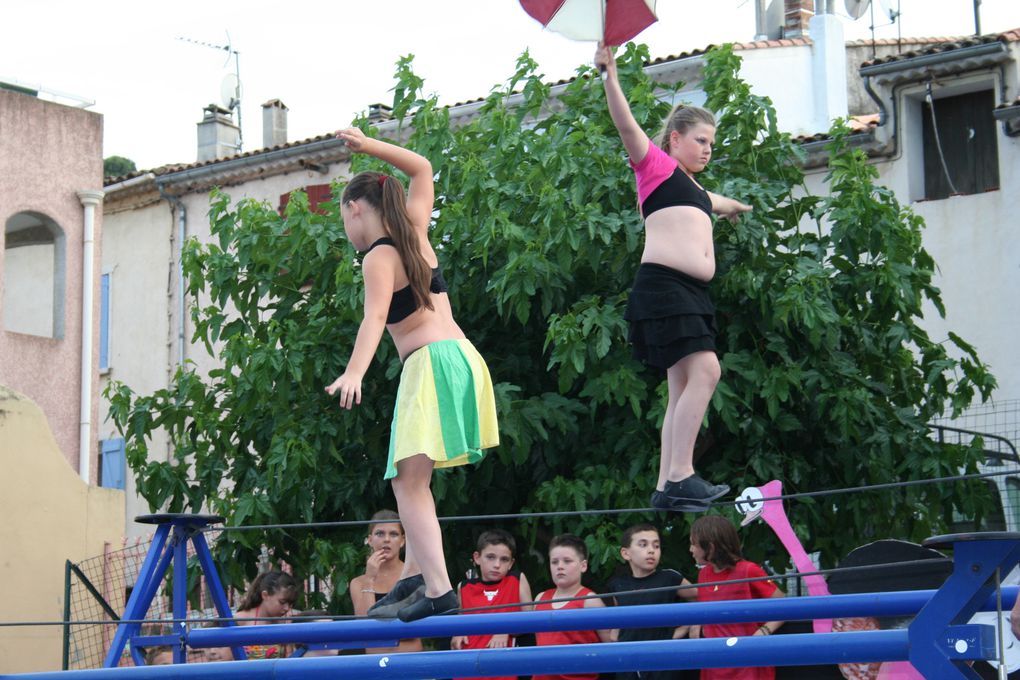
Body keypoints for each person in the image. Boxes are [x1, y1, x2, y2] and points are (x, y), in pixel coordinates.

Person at [325, 127, 499, 622]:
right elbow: (421, 167)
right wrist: (369, 146)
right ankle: (413, 579)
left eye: (344, 219)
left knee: (406, 484)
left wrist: (354, 371)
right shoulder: (415, 230)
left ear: (355, 208)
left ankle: (440, 589)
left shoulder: (379, 254)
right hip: (464, 358)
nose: (347, 230)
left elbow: (374, 318)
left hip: (431, 365)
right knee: (417, 480)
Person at [594, 44, 752, 513]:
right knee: (706, 370)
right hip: (665, 287)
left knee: (681, 386)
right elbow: (626, 126)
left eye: (712, 143)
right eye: (700, 140)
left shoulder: (695, 189)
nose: (708, 149)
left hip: (686, 292)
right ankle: (682, 473)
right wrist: (611, 77)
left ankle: (666, 485)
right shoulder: (656, 168)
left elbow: (714, 200)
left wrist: (735, 208)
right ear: (675, 140)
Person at [688, 516, 784, 680]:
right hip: (714, 662)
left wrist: (763, 632)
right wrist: (698, 621)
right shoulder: (703, 574)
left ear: (710, 548)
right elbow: (707, 607)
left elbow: (783, 604)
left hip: (748, 662)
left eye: (693, 544)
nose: (691, 549)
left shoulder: (748, 570)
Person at [606, 523, 698, 680]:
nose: (651, 550)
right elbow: (616, 620)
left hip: (663, 660)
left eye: (656, 546)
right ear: (625, 553)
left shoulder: (670, 578)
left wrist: (683, 630)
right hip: (628, 662)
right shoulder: (617, 585)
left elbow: (704, 598)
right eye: (643, 545)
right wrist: (615, 636)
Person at [451, 529, 534, 680]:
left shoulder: (517, 579)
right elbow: (460, 622)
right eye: (490, 557)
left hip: (503, 668)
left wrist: (505, 630)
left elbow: (531, 623)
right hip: (468, 666)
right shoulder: (463, 587)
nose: (497, 564)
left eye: (504, 559)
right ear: (477, 558)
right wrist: (458, 633)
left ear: (511, 563)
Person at [533, 534, 613, 680]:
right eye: (554, 562)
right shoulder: (540, 599)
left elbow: (610, 645)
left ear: (583, 565)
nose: (560, 566)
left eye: (567, 561)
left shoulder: (590, 601)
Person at [348, 510, 424, 653]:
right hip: (375, 666)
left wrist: (379, 628)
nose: (386, 539)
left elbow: (414, 630)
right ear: (370, 540)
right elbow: (364, 628)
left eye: (393, 534)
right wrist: (369, 579)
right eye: (380, 534)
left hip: (410, 664)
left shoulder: (415, 575)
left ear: (402, 540)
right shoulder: (358, 583)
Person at [233, 570, 298, 659]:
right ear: (265, 595)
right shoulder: (240, 620)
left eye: (290, 603)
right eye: (282, 602)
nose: (287, 608)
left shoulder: (288, 621)